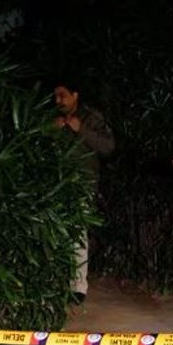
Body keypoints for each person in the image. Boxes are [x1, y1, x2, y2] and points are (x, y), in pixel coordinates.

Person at [53, 81, 115, 304]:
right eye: (56, 96)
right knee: (57, 233)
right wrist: (51, 129)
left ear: (75, 95)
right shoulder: (52, 117)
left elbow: (108, 147)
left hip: (83, 184)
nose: (58, 100)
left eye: (62, 95)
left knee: (77, 234)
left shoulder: (90, 117)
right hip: (56, 183)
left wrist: (82, 130)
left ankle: (77, 288)